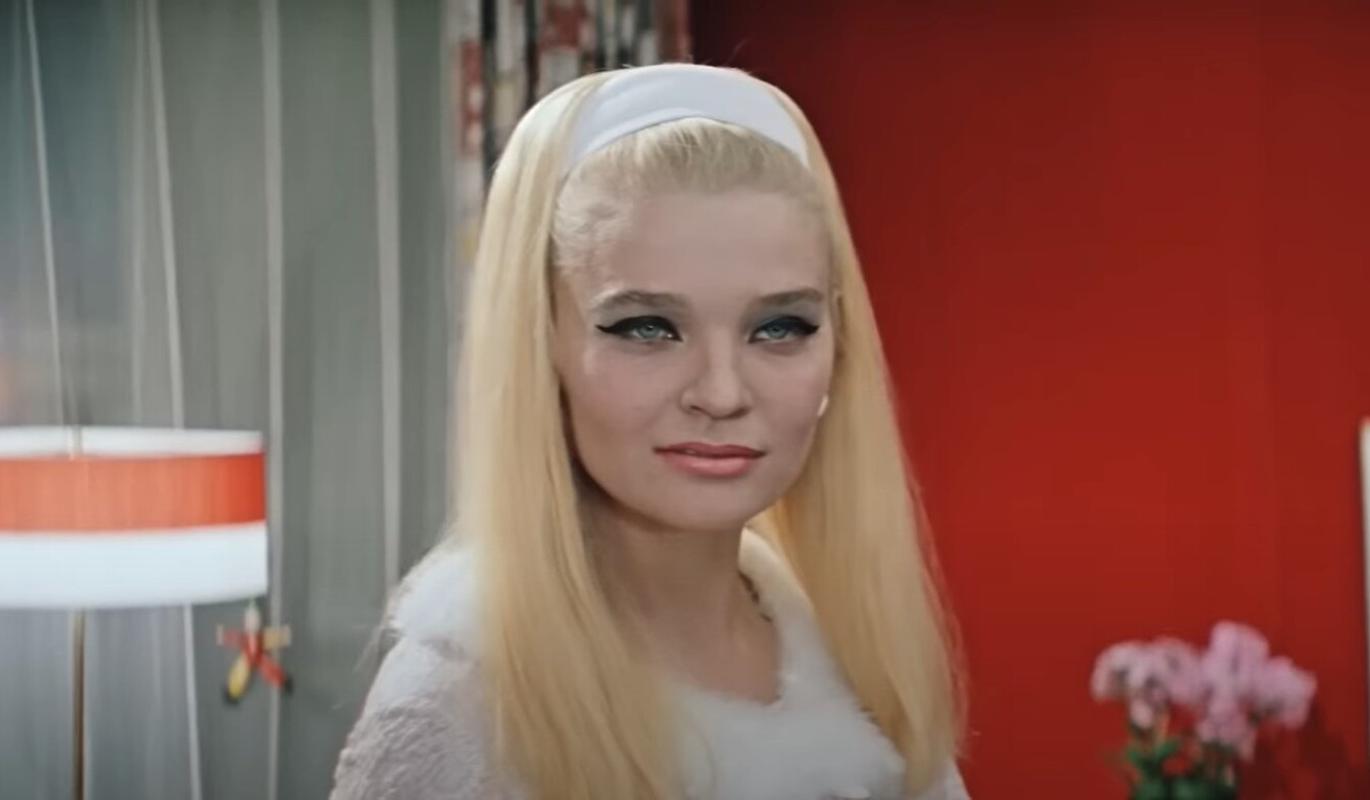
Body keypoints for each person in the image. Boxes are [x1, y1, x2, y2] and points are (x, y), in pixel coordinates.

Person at [331, 63, 969, 800]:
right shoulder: (455, 712)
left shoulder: (856, 662)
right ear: (542, 346)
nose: (721, 393)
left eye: (779, 327)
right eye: (647, 328)